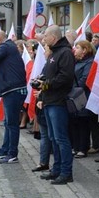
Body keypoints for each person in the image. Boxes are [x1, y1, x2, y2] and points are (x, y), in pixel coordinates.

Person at [38, 25, 76, 185]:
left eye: (45, 36)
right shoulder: (54, 52)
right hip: (49, 100)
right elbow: (49, 74)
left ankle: (66, 172)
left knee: (61, 138)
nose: (43, 39)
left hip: (59, 101)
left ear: (53, 37)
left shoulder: (65, 53)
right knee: (53, 137)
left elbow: (65, 77)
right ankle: (56, 169)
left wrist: (46, 84)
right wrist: (40, 81)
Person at [0, 29, 28, 163]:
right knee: (8, 123)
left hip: (13, 90)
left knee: (12, 123)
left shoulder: (6, 46)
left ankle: (12, 153)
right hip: (10, 89)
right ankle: (4, 150)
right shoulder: (8, 47)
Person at [68, 40, 96, 158]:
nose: (75, 49)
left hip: (83, 96)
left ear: (84, 50)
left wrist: (73, 88)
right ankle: (75, 146)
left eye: (78, 47)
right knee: (74, 121)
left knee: (83, 122)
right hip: (73, 95)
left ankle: (83, 148)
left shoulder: (89, 62)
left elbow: (85, 79)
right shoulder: (75, 62)